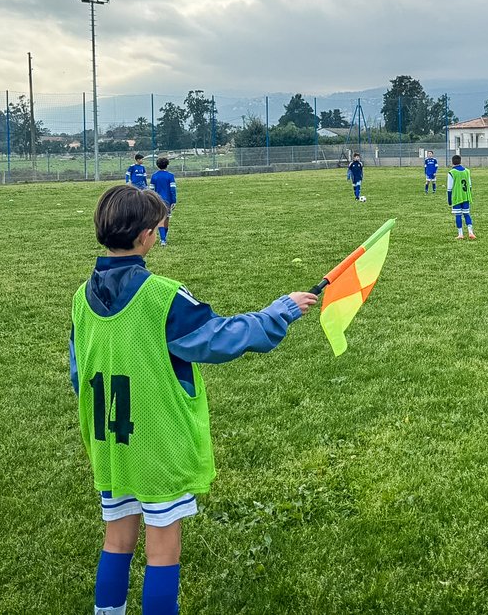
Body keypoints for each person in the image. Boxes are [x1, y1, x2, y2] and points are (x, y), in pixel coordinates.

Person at [70, 185, 317, 615]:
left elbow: (79, 373)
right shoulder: (162, 295)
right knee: (162, 551)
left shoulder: (80, 298)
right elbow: (218, 339)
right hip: (157, 444)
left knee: (116, 539)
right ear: (147, 236)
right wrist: (280, 312)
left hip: (111, 443)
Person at [448, 154, 476, 240]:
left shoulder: (451, 172)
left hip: (457, 197)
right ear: (460, 161)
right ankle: (470, 232)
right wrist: (468, 195)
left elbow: (449, 188)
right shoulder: (467, 171)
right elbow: (470, 185)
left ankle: (460, 234)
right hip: (466, 197)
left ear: (452, 162)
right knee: (467, 214)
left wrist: (449, 200)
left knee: (458, 215)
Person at [150, 157, 177, 246]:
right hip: (167, 200)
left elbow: (151, 190)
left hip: (157, 200)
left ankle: (163, 239)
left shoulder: (154, 176)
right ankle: (163, 239)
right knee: (166, 219)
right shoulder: (170, 176)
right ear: (167, 165)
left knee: (160, 219)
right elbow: (173, 189)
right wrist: (174, 200)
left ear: (157, 165)